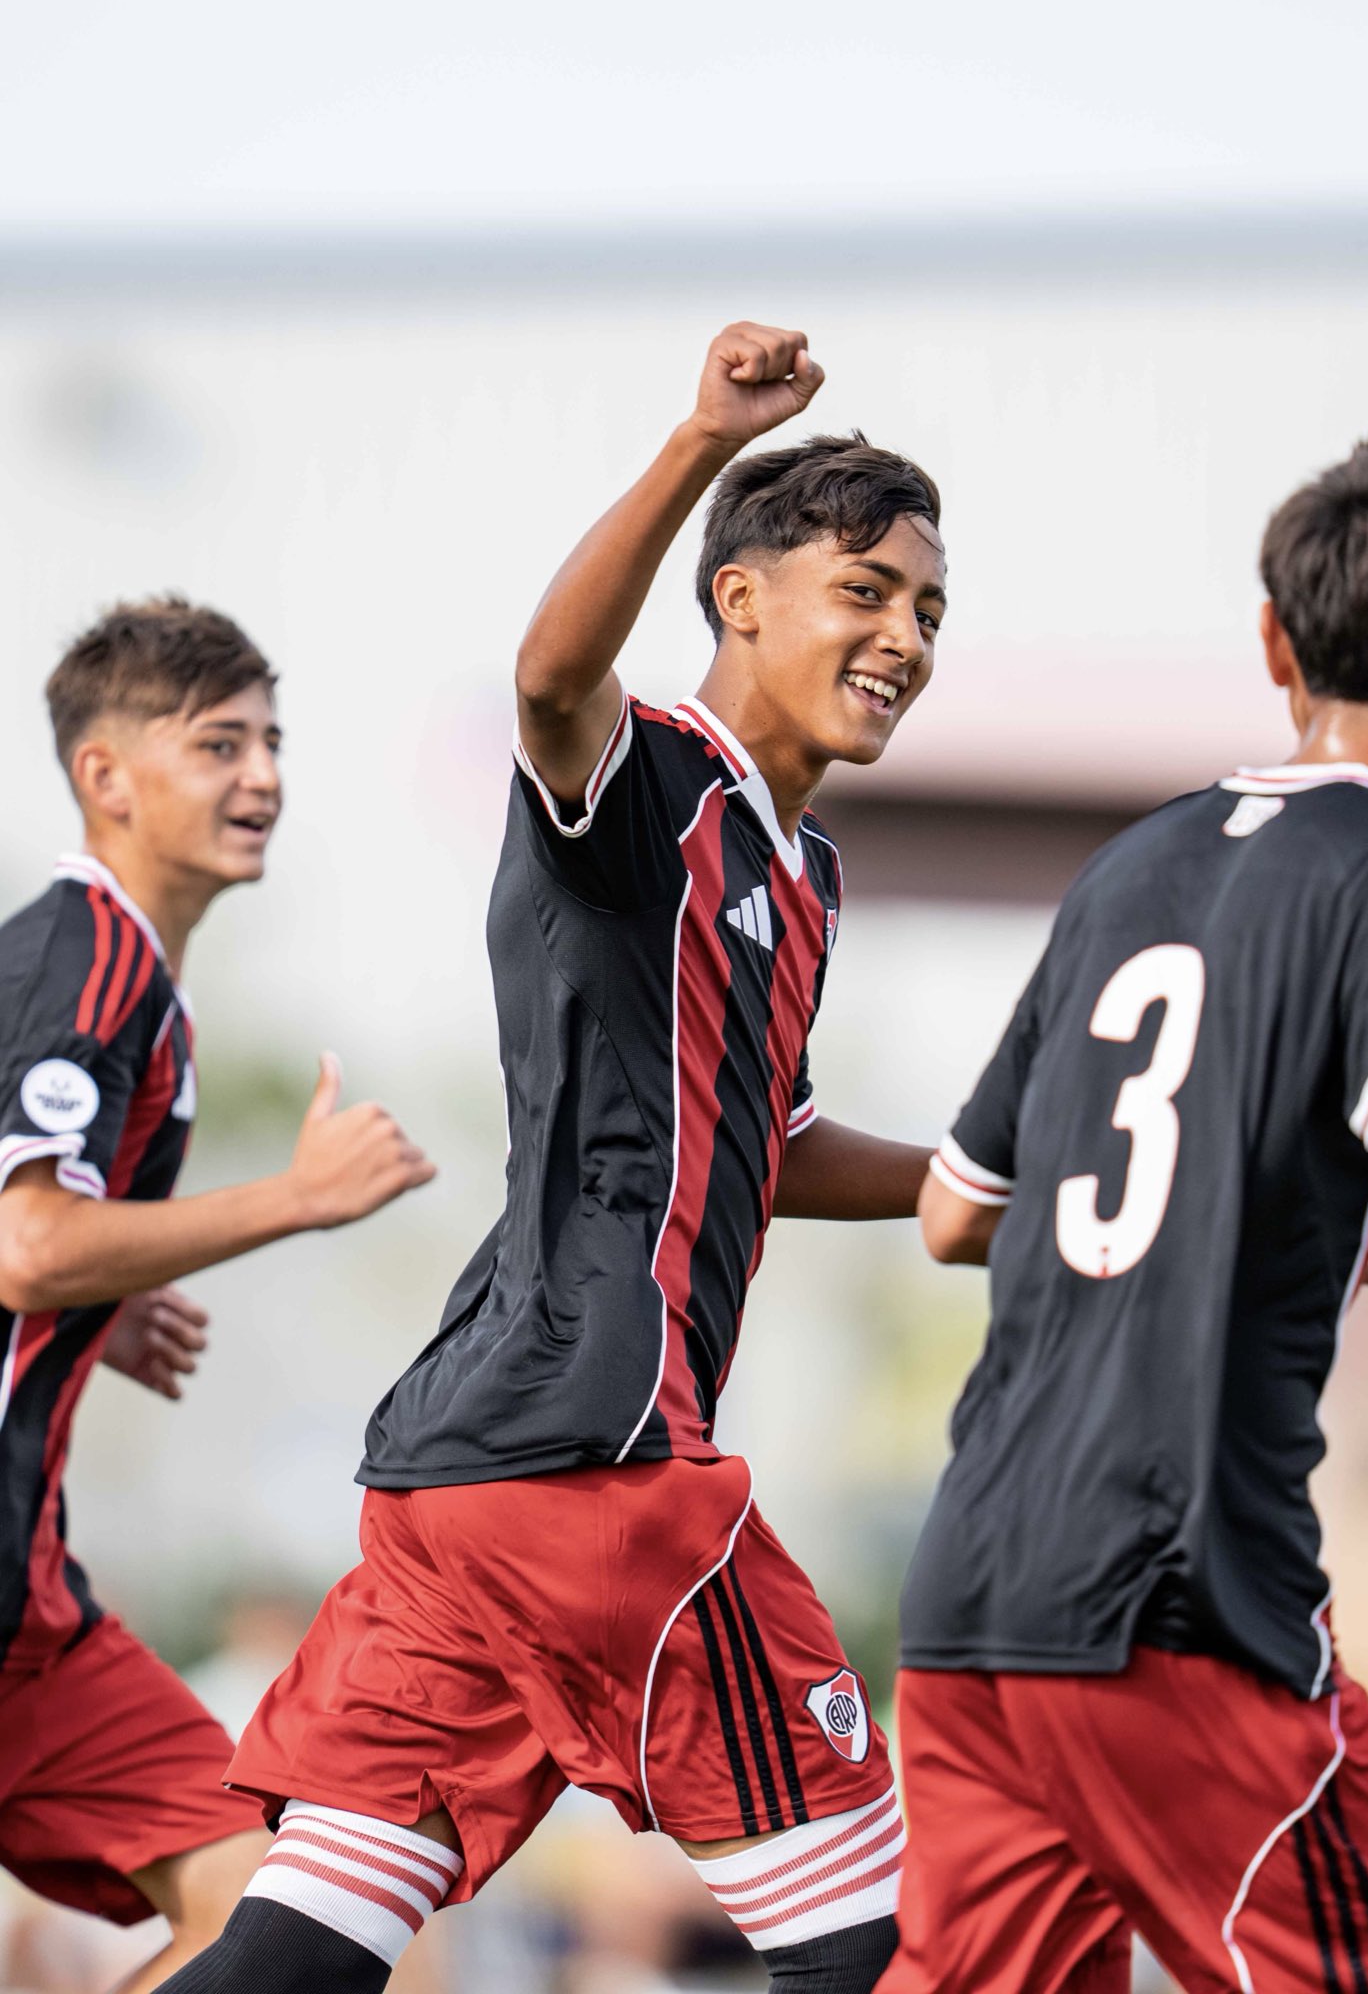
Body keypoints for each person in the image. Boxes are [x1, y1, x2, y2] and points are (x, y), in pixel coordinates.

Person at [154, 323, 954, 1994]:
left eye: (928, 611)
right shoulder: (649, 776)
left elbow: (771, 1140)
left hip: (459, 1484)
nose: (903, 636)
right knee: (881, 1947)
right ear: (740, 600)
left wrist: (992, 1184)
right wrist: (698, 438)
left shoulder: (799, 869)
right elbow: (544, 677)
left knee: (296, 1952)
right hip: (601, 1470)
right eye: (865, 591)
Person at [881, 428, 1368, 1994]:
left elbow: (956, 1215)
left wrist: (1235, 1190)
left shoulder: (1130, 866)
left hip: (974, 1591)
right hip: (1166, 1593)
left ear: (1272, 642)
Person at [0, 597, 437, 1992]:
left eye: (271, 742)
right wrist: (297, 1197)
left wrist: (93, 1302)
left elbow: (33, 1253)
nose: (262, 776)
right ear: (106, 775)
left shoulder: (136, 981)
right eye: (217, 744)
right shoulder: (86, 957)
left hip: (29, 1608)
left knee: (272, 1910)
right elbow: (27, 1242)